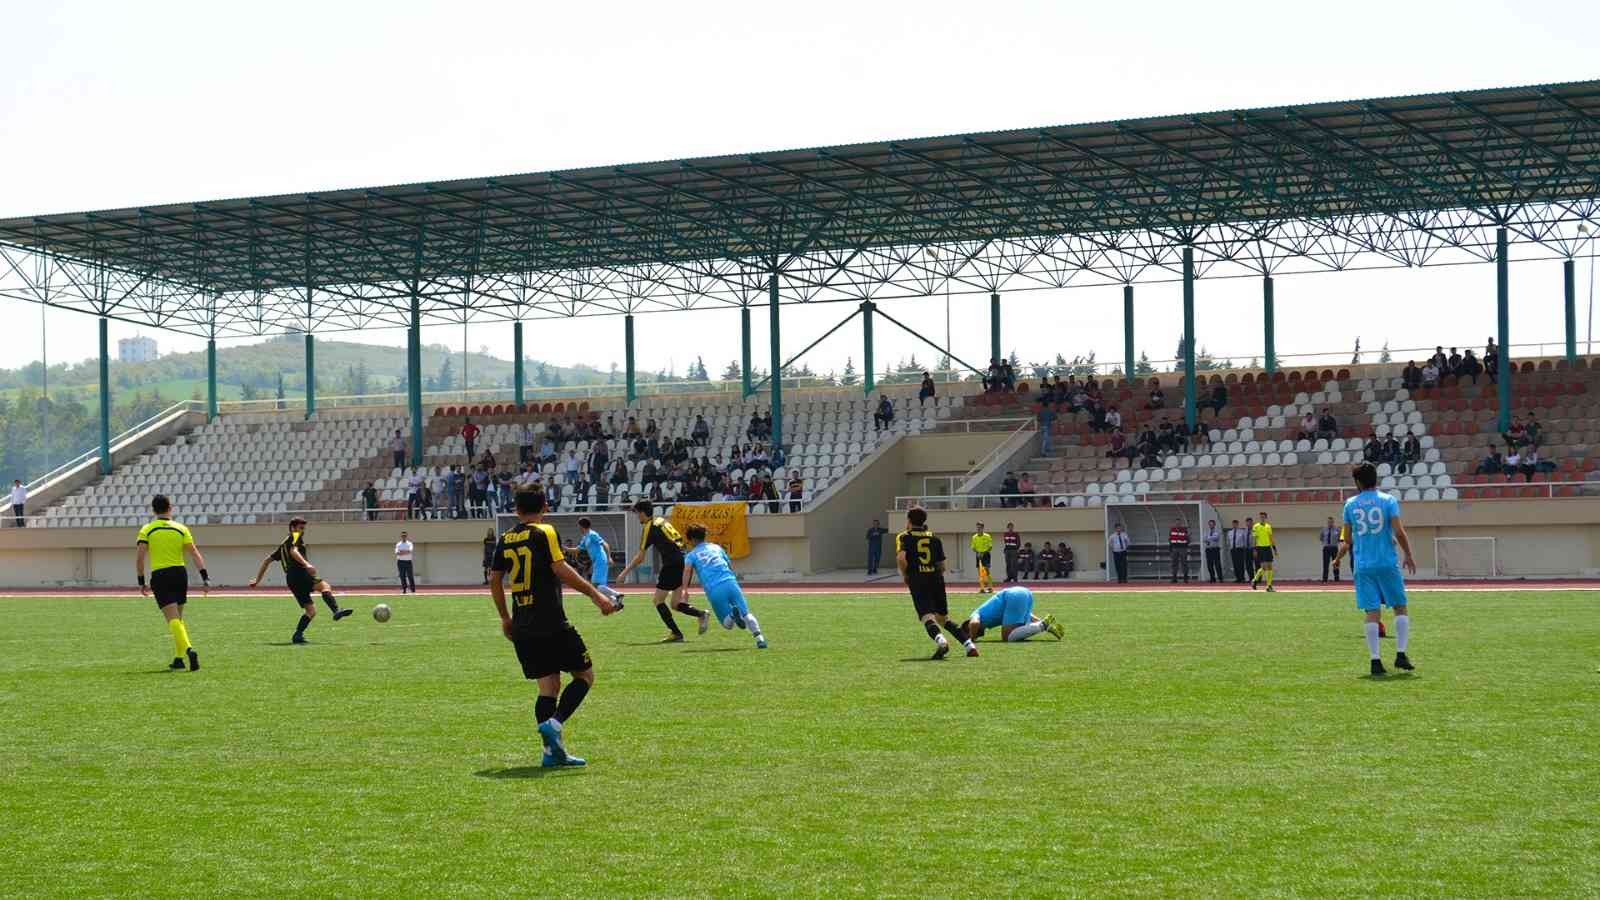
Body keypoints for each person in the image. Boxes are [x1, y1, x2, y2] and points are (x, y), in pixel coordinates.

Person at [490, 488, 617, 768]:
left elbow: (495, 579)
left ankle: (551, 753)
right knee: (585, 675)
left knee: (548, 687)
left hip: (522, 623)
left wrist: (505, 617)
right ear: (545, 507)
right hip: (550, 621)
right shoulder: (545, 531)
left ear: (516, 509)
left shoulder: (505, 538)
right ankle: (556, 724)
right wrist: (597, 596)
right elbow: (561, 569)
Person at [1332, 462, 1417, 676]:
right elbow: (1399, 532)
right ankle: (1400, 654)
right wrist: (1408, 554)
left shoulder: (1350, 504)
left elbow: (1347, 540)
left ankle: (1375, 661)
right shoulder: (1388, 500)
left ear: (1358, 482)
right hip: (1387, 562)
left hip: (1363, 565)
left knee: (1372, 612)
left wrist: (1337, 559)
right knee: (1400, 606)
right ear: (1376, 479)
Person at [248, 517, 353, 644]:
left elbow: (266, 561)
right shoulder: (295, 537)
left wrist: (257, 580)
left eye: (304, 528)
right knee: (324, 586)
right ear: (293, 528)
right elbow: (294, 551)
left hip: (291, 580)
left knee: (311, 611)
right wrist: (306, 564)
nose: (303, 531)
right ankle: (336, 610)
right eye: (301, 528)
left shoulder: (283, 545)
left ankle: (298, 635)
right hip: (300, 573)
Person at [617, 500, 710, 642]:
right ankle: (701, 614)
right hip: (684, 561)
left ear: (642, 513)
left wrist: (624, 572)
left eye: (637, 514)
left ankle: (676, 633)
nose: (638, 517)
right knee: (675, 604)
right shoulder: (662, 521)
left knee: (658, 601)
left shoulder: (649, 526)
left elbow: (641, 557)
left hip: (672, 564)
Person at [134, 495, 209, 671]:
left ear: (153, 510)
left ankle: (189, 650)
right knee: (179, 619)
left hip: (161, 575)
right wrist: (205, 576)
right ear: (171, 507)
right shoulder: (181, 528)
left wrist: (141, 581)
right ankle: (178, 658)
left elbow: (139, 558)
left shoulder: (147, 529)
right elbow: (195, 554)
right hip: (180, 574)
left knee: (173, 619)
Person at [896, 506, 977, 659]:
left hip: (918, 579)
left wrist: (906, 574)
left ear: (909, 521)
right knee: (943, 618)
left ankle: (941, 641)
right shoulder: (935, 538)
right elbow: (942, 566)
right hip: (936, 579)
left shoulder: (905, 537)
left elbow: (901, 558)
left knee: (927, 617)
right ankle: (969, 645)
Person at [682, 523, 767, 649]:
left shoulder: (692, 555)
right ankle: (760, 639)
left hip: (714, 589)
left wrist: (684, 589)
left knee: (728, 625)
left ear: (692, 539)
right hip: (730, 582)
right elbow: (728, 564)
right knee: (746, 613)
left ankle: (733, 615)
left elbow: (687, 571)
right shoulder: (716, 548)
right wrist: (732, 578)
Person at [965, 586, 1063, 643]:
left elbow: (974, 623)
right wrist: (1043, 623)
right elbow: (1026, 614)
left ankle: (1042, 625)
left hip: (1011, 595)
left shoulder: (975, 614)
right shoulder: (988, 617)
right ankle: (1046, 625)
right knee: (1018, 626)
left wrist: (971, 639)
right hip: (1024, 592)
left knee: (1007, 637)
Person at [1249, 511, 1278, 592]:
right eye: (1260, 517)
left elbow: (1271, 538)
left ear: (1266, 518)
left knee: (1270, 567)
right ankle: (1255, 580)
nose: (1262, 518)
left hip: (1268, 548)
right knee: (1264, 567)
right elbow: (1254, 538)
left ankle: (1269, 586)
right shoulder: (1256, 526)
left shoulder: (1268, 526)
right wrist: (1254, 549)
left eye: (1263, 517)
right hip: (1260, 548)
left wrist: (1274, 549)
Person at [970, 522, 995, 592]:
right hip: (978, 555)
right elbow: (973, 547)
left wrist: (983, 553)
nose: (978, 529)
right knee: (980, 572)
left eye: (980, 527)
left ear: (983, 528)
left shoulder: (987, 536)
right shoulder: (974, 537)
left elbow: (990, 547)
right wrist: (978, 553)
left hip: (986, 555)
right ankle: (982, 588)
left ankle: (990, 588)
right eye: (977, 527)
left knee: (987, 571)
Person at [1168, 518, 1190, 583]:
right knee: (1174, 563)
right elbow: (1170, 539)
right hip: (1174, 548)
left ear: (1181, 523)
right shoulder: (1172, 530)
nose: (1178, 524)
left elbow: (1188, 539)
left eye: (1179, 523)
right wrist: (1170, 548)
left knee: (1184, 563)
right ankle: (1174, 577)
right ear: (1175, 523)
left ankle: (1185, 577)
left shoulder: (1184, 530)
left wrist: (1185, 545)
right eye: (1176, 523)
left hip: (1183, 548)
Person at [1228, 518, 1249, 583]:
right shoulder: (1230, 532)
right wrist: (1230, 547)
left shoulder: (1241, 531)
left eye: (1236, 524)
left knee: (1241, 564)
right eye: (1233, 524)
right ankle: (1237, 578)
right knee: (1235, 564)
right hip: (1233, 549)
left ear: (1237, 524)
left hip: (1240, 549)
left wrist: (1244, 548)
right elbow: (1228, 541)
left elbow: (1244, 540)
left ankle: (1242, 578)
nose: (1234, 525)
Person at [1241, 516, 1258, 582]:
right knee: (1248, 565)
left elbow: (1257, 540)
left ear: (1252, 523)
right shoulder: (1244, 531)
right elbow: (1243, 540)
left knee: (1256, 564)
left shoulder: (1255, 530)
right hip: (1246, 549)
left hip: (1254, 549)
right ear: (1246, 523)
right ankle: (1251, 578)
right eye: (1247, 522)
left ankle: (1257, 578)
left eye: (1250, 522)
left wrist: (1255, 549)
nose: (1249, 524)